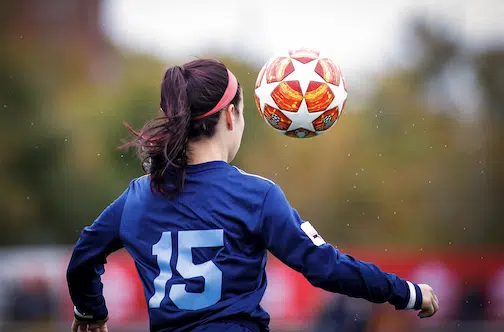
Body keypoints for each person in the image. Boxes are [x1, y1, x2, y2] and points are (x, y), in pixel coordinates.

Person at [66, 58, 439, 332]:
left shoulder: (138, 196)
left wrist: (91, 312)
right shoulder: (255, 196)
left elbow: (83, 257)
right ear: (230, 116)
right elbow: (326, 266)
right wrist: (405, 292)